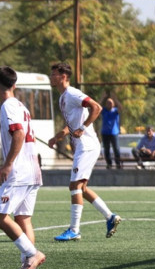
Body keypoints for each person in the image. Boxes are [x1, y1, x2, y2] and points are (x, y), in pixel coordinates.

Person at [48, 62, 122, 242]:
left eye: (54, 75)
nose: (51, 77)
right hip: (84, 146)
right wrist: (58, 136)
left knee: (74, 186)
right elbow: (70, 125)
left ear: (63, 77)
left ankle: (74, 230)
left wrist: (82, 127)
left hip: (87, 145)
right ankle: (110, 217)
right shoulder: (62, 98)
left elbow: (96, 107)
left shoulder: (72, 93)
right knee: (82, 188)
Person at [0, 66, 46, 269]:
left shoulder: (8, 107)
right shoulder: (21, 105)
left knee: (0, 216)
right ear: (14, 85)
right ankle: (29, 268)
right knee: (23, 219)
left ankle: (32, 255)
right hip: (33, 170)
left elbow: (19, 134)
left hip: (20, 172)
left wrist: (7, 164)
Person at [100, 93, 123, 169]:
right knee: (106, 149)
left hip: (114, 133)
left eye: (111, 103)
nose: (109, 104)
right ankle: (109, 164)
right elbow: (97, 106)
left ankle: (118, 163)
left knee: (116, 148)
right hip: (105, 133)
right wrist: (102, 98)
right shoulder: (104, 110)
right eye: (108, 103)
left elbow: (121, 108)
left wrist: (115, 99)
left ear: (113, 104)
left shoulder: (115, 111)